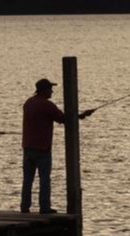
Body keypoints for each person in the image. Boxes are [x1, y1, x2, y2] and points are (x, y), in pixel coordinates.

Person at [21, 78, 94, 214]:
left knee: (27, 179)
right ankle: (44, 207)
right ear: (43, 90)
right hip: (42, 148)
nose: (52, 91)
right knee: (44, 179)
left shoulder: (28, 103)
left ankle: (24, 207)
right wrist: (81, 115)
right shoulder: (47, 105)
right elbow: (65, 119)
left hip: (27, 147)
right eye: (50, 89)